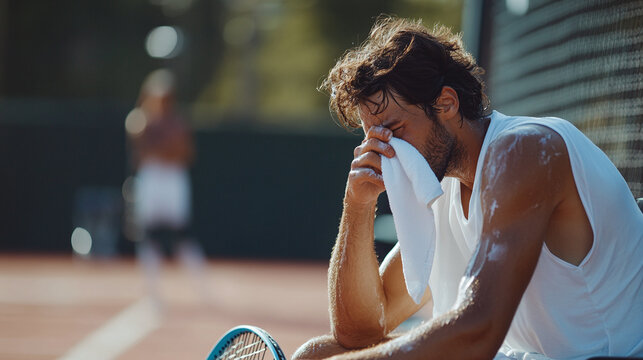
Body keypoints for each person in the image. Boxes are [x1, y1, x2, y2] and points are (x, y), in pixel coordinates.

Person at [293, 17, 643, 359]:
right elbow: (360, 331)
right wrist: (358, 203)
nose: (386, 150)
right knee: (317, 353)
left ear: (446, 103)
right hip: (517, 353)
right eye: (373, 137)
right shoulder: (444, 186)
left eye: (394, 130)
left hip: (602, 354)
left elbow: (478, 332)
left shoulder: (524, 150)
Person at [125, 69, 208, 307]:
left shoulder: (178, 122)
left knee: (180, 233)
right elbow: (140, 144)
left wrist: (163, 148)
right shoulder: (141, 120)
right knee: (148, 234)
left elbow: (183, 151)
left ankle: (200, 286)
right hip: (151, 178)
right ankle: (153, 293)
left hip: (172, 178)